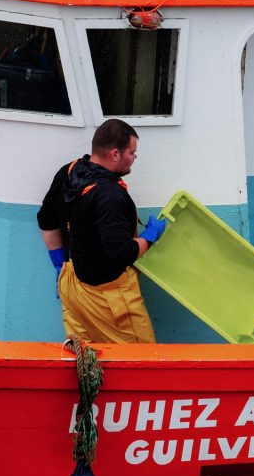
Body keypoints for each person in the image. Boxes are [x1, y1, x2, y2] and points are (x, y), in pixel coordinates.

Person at [37, 119, 167, 343]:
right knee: (141, 362)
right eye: (132, 152)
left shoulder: (69, 171)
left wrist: (59, 263)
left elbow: (46, 221)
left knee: (87, 362)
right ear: (115, 154)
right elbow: (121, 253)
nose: (135, 157)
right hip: (108, 296)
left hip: (71, 282)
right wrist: (150, 236)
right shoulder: (109, 196)